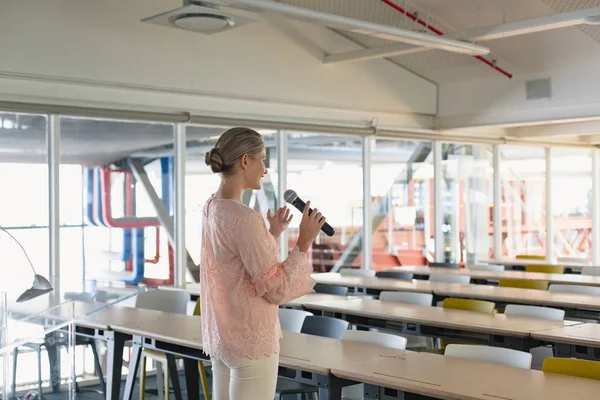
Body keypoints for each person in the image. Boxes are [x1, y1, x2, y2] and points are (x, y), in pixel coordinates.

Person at [200, 127, 326, 400]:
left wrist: (272, 234)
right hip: (251, 340)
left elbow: (235, 264)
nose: (265, 169)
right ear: (246, 161)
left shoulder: (211, 207)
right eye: (263, 159)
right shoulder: (245, 218)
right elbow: (275, 290)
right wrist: (303, 242)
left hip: (223, 338)